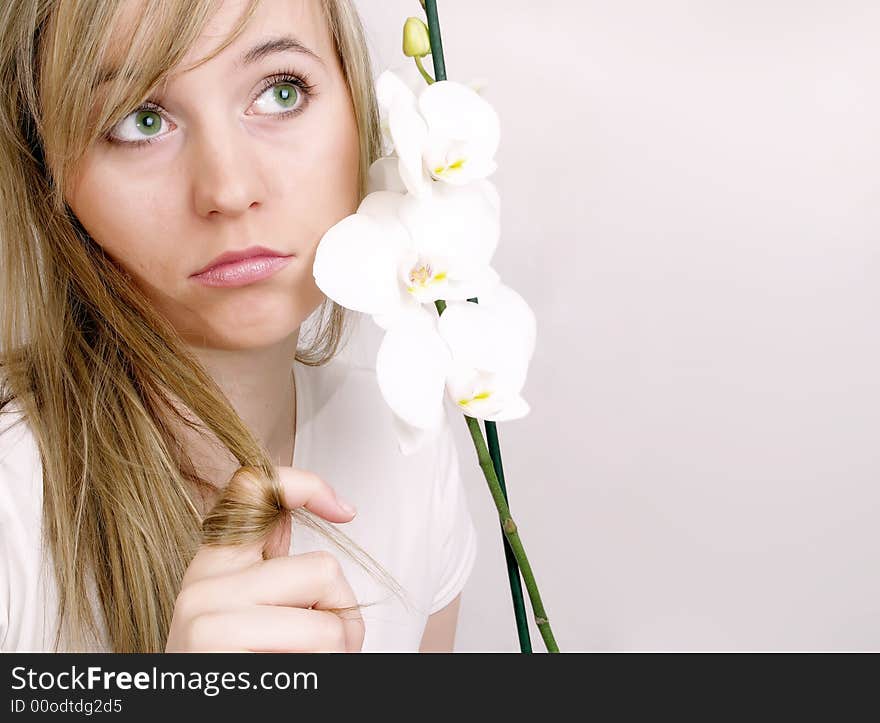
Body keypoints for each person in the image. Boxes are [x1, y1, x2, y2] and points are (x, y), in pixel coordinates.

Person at [0, 0, 478, 653]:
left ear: (360, 109)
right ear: (47, 170)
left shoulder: (406, 451)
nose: (227, 188)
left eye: (282, 92)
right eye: (141, 121)